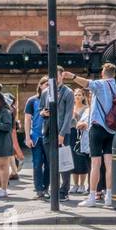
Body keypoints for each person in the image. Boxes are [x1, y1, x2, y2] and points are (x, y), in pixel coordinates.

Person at [68, 63, 116, 207]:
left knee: (95, 164)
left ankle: (92, 197)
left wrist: (72, 76)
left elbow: (86, 83)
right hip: (112, 129)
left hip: (97, 127)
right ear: (115, 74)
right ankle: (109, 197)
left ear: (103, 73)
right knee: (109, 164)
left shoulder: (100, 84)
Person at [42, 69, 76, 199]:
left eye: (57, 75)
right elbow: (41, 109)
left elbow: (68, 115)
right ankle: (54, 190)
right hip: (48, 130)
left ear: (62, 76)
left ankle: (64, 191)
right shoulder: (46, 92)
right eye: (52, 75)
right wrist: (42, 113)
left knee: (64, 161)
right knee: (51, 162)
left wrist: (62, 134)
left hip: (62, 131)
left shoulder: (68, 92)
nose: (54, 78)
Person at [25, 77, 50, 198]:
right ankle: (38, 189)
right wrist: (27, 137)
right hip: (35, 136)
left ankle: (46, 188)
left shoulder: (52, 100)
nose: (48, 87)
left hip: (49, 136)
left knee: (49, 164)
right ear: (40, 86)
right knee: (37, 163)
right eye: (46, 84)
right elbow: (27, 119)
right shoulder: (32, 100)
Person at [70, 88, 91, 194]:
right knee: (73, 159)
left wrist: (77, 117)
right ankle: (75, 184)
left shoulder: (86, 108)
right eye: (75, 94)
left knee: (81, 160)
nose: (77, 96)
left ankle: (82, 184)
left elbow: (84, 122)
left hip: (82, 135)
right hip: (72, 134)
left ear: (83, 97)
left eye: (79, 95)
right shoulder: (71, 107)